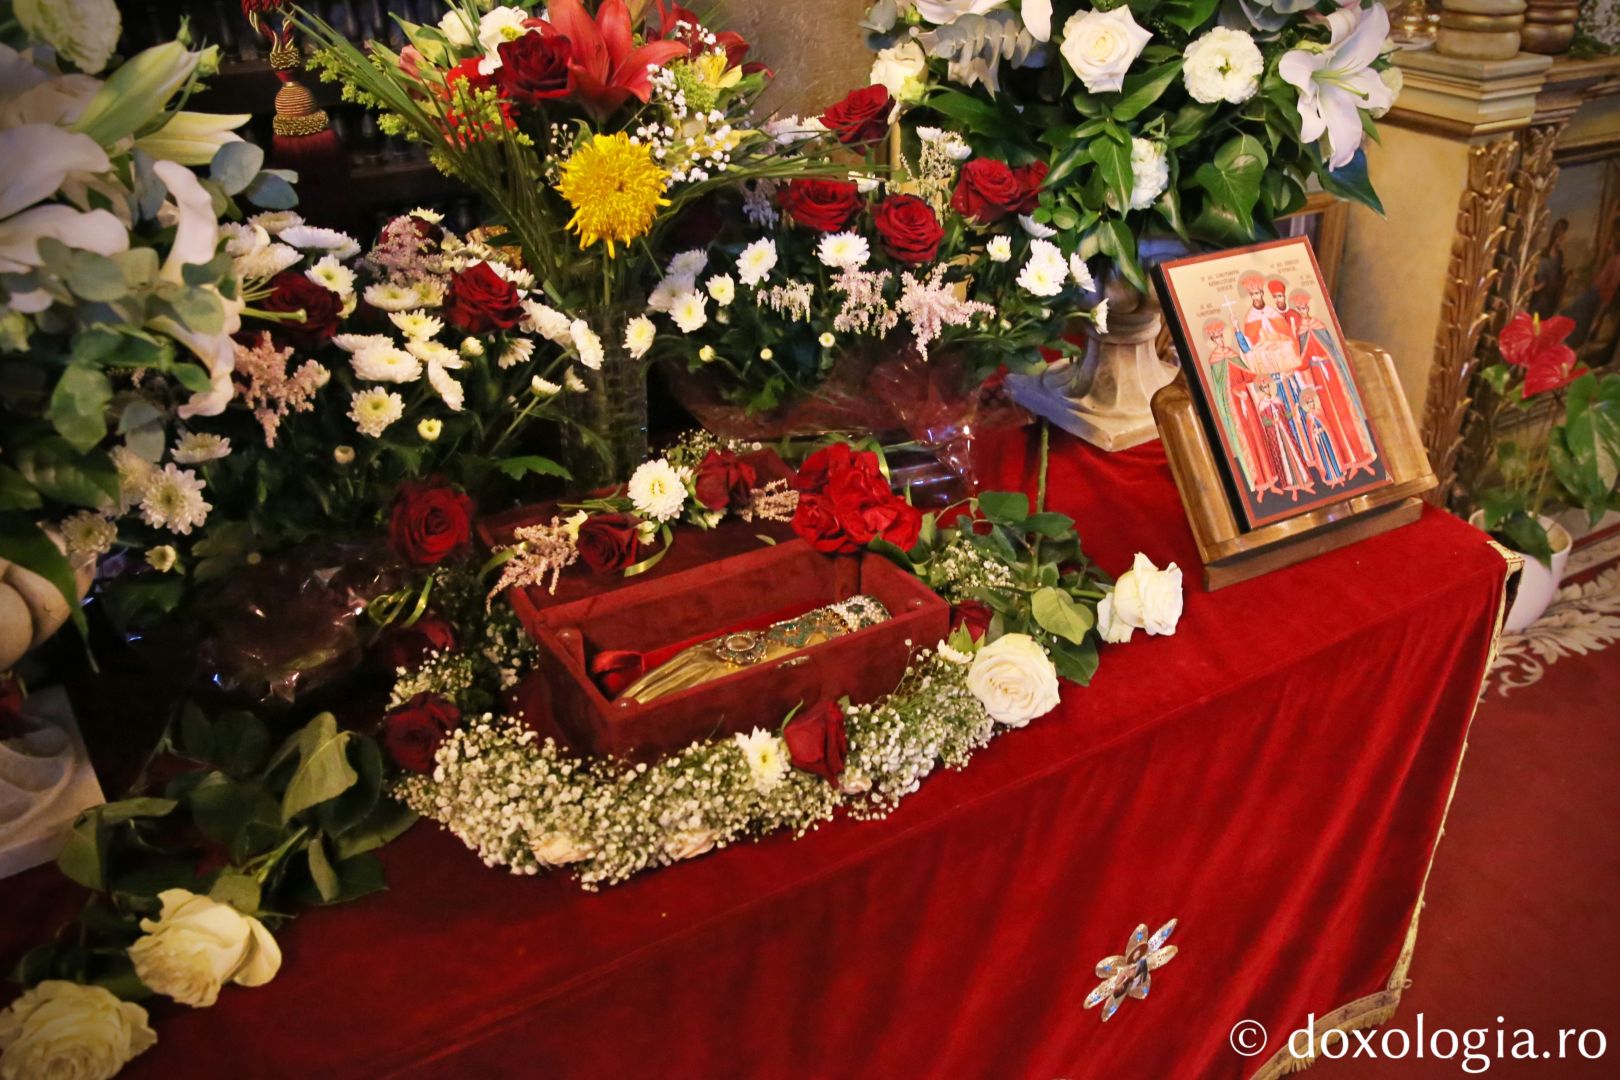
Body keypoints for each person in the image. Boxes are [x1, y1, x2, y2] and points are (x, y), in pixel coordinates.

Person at [1290, 290, 1377, 476]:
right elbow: (1302, 360)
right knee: (1329, 419)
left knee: (1345, 414)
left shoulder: (1319, 325)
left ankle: (1360, 458)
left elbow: (1333, 351)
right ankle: (1345, 461)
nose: (1303, 310)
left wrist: (1329, 363)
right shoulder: (1300, 333)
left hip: (1333, 377)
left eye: (1304, 306)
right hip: (1317, 380)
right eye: (1299, 308)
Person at [1204, 319, 1272, 496]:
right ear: (1213, 340)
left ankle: (1269, 479)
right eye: (1217, 338)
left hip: (1247, 403)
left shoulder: (1233, 354)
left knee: (1257, 435)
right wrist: (1234, 392)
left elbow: (1247, 375)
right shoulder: (1215, 361)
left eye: (1221, 336)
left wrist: (1260, 370)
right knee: (1246, 442)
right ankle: (1257, 483)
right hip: (1234, 407)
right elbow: (1220, 387)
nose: (1220, 340)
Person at [1530, 218, 1569, 320]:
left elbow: (1558, 275)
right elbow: (1538, 278)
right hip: (1540, 299)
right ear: (1558, 234)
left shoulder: (1560, 255)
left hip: (1551, 299)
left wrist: (1564, 276)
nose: (1564, 237)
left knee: (1544, 326)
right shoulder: (1544, 255)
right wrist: (1538, 286)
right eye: (1563, 234)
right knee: (1535, 325)